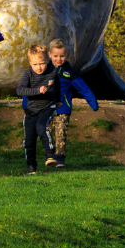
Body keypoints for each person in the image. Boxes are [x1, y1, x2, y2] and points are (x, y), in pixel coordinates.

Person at [46, 39, 98, 168]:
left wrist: (93, 103)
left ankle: (60, 159)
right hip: (46, 108)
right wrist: (27, 103)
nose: (59, 59)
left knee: (61, 133)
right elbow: (34, 85)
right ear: (49, 55)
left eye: (62, 56)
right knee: (46, 132)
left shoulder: (69, 72)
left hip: (63, 108)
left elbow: (83, 88)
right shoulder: (45, 70)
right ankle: (49, 156)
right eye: (55, 56)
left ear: (66, 55)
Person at [15, 44, 59, 174]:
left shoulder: (53, 71)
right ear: (30, 62)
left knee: (41, 126)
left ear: (48, 60)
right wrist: (37, 91)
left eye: (42, 63)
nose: (39, 67)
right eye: (35, 64)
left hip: (48, 106)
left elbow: (58, 86)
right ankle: (31, 164)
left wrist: (59, 100)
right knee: (29, 139)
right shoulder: (28, 74)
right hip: (31, 110)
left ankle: (50, 155)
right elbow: (20, 90)